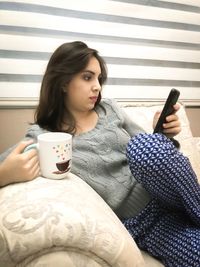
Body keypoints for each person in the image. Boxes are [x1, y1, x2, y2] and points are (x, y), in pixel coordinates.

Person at [1, 41, 196, 267]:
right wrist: (5, 173)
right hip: (148, 224)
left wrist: (163, 132)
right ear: (63, 82)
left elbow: (155, 152)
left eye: (98, 79)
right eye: (87, 77)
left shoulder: (110, 109)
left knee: (145, 146)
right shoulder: (45, 137)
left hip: (172, 193)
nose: (97, 87)